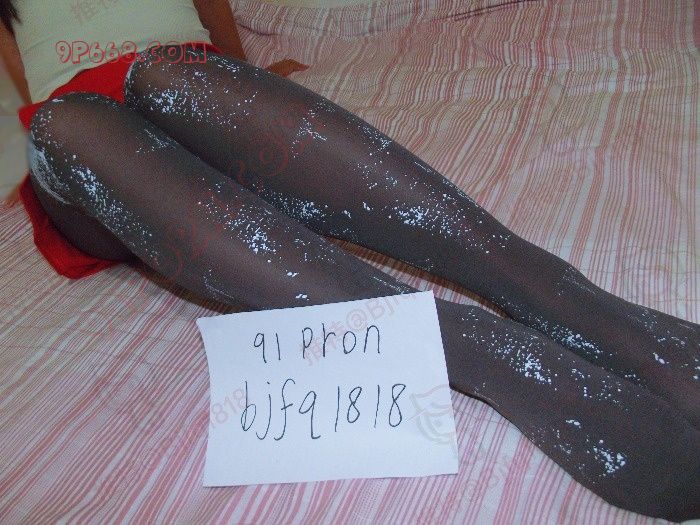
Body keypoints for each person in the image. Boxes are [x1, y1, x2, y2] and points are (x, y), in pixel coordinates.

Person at [1, 0, 698, 520]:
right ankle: (478, 347)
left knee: (164, 70)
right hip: (89, 169)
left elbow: (217, 37)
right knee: (69, 122)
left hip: (190, 98)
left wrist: (252, 86)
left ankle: (556, 293)